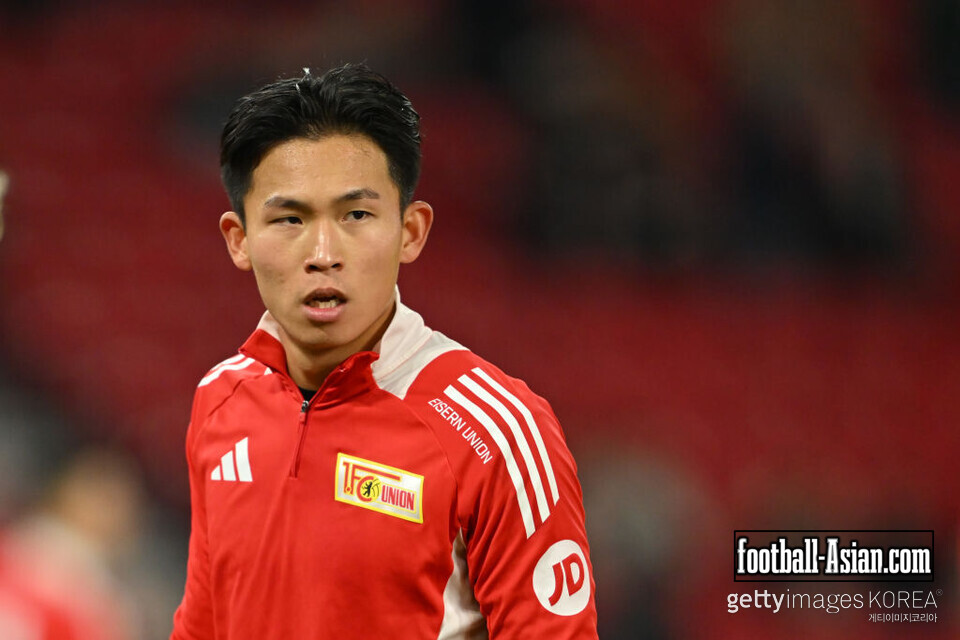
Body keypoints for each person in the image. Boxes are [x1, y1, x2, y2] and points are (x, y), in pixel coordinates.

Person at [170, 63, 598, 639]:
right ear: (239, 239)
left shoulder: (496, 431)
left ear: (411, 232)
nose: (323, 252)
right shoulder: (219, 400)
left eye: (356, 215)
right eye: (290, 218)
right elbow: (203, 625)